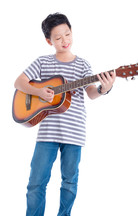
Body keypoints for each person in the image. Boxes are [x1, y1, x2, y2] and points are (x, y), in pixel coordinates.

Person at [14, 12, 116, 216]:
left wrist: (104, 89)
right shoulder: (43, 62)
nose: (64, 41)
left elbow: (91, 94)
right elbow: (19, 82)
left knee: (69, 183)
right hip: (47, 133)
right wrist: (39, 91)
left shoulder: (83, 65)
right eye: (58, 37)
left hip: (74, 133)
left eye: (67, 34)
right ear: (48, 40)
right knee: (35, 184)